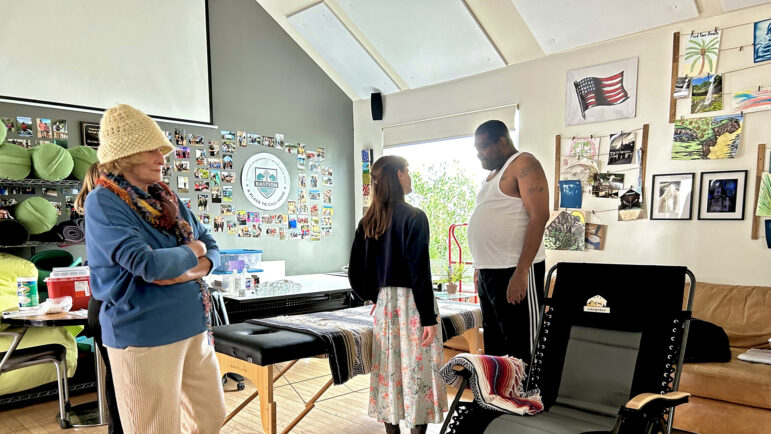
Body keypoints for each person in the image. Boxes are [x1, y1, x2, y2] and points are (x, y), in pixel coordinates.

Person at [84, 104, 225, 433]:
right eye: (152, 150)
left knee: (210, 418)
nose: (163, 158)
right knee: (155, 428)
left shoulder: (167, 198)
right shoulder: (104, 201)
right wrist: (194, 251)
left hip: (193, 326)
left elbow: (213, 248)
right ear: (125, 154)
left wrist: (184, 271)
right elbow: (147, 264)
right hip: (144, 333)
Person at [348, 155, 447, 434]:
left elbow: (355, 272)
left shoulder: (368, 221)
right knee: (418, 371)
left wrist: (374, 296)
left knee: (388, 370)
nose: (410, 177)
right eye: (408, 171)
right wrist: (428, 318)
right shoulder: (415, 217)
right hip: (413, 305)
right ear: (400, 174)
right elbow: (420, 272)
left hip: (385, 306)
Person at [467, 120, 549, 364]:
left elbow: (539, 216)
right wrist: (479, 267)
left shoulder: (524, 163)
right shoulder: (491, 177)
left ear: (501, 141)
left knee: (522, 346)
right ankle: (501, 389)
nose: (478, 153)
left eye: (483, 147)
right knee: (495, 345)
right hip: (489, 273)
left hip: (514, 269)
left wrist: (521, 272)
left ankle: (527, 390)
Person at [75, 163, 123, 433]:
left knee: (117, 377)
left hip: (102, 304)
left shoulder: (99, 213)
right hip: (109, 306)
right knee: (120, 379)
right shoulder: (105, 214)